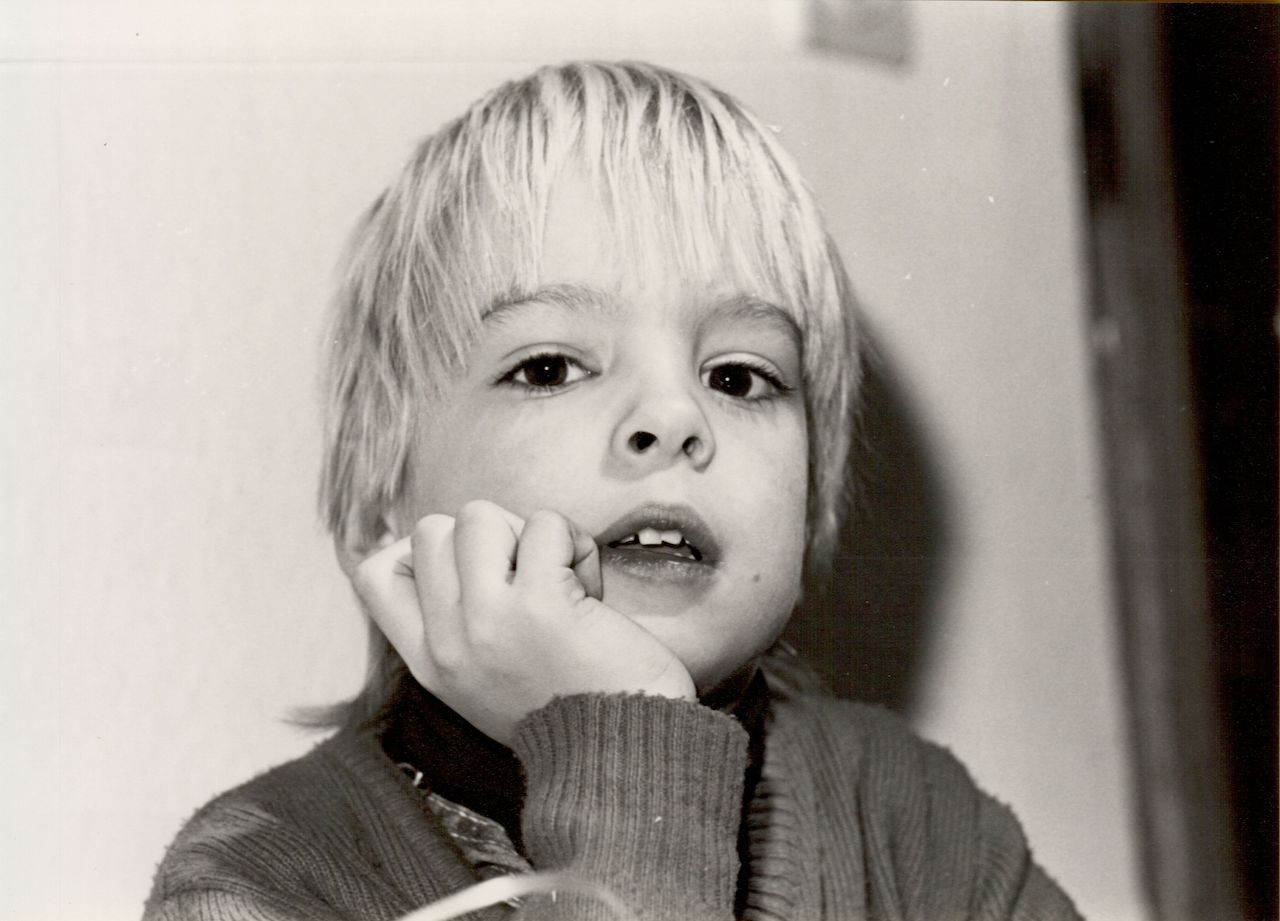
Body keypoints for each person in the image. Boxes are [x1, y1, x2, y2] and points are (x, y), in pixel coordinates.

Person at [144, 61, 1081, 921]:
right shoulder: (258, 876)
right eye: (550, 366)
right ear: (378, 503)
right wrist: (631, 744)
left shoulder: (919, 822)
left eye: (739, 376)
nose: (673, 416)